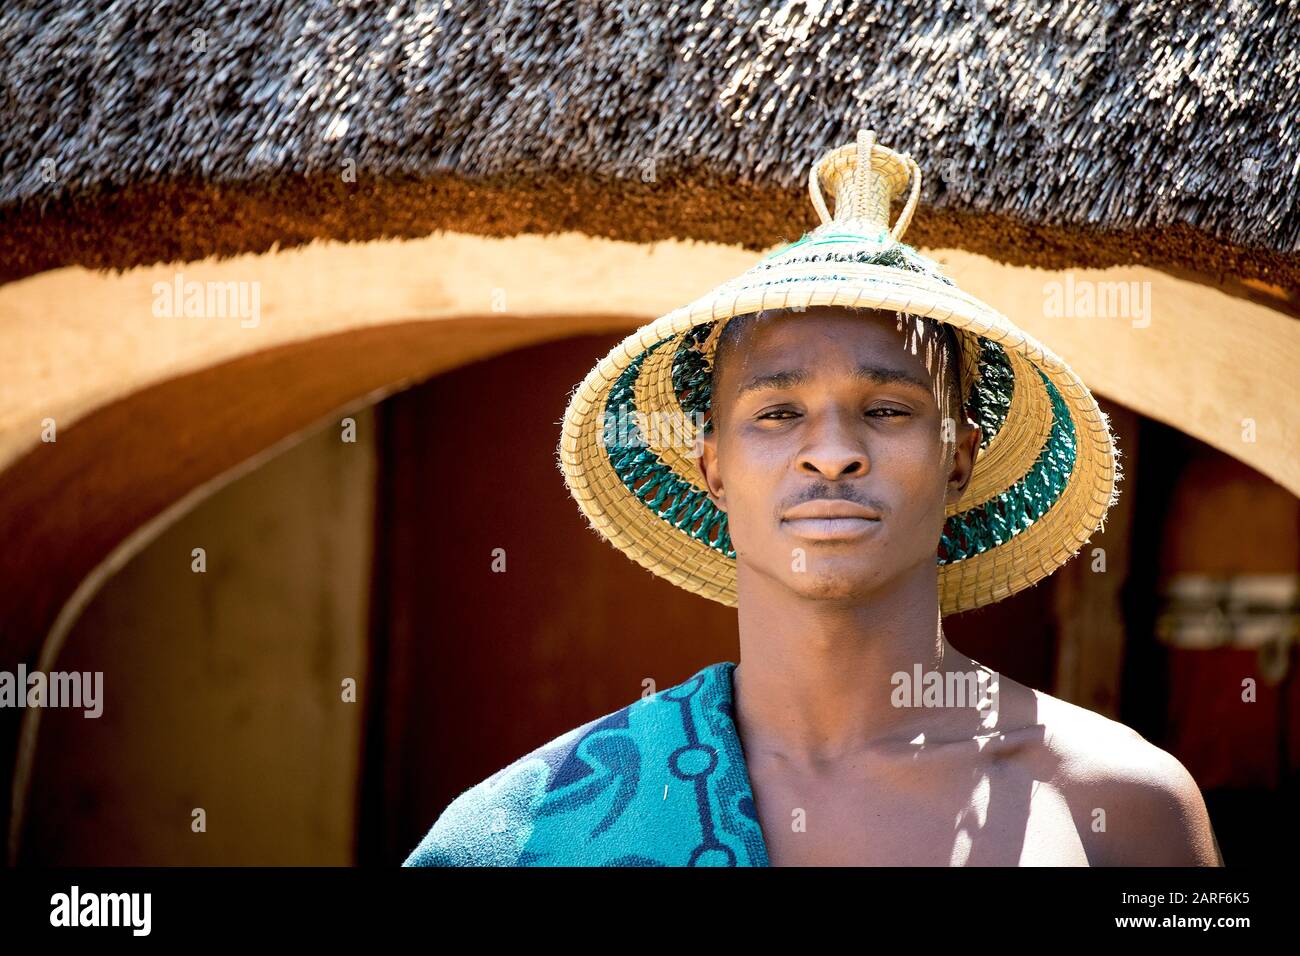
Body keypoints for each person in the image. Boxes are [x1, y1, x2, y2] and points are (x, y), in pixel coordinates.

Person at [403, 131, 1222, 866]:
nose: (832, 455)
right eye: (779, 413)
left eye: (888, 410)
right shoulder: (524, 834)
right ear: (714, 469)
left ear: (960, 459)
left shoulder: (1120, 809)